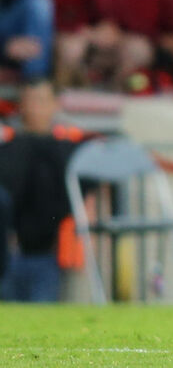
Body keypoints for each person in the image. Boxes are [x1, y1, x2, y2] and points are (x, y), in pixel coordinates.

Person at [0, 81, 83, 302]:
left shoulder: (70, 144)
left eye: (41, 101)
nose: (35, 108)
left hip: (50, 255)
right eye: (30, 101)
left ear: (55, 105)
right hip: (7, 253)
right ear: (21, 105)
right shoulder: (6, 143)